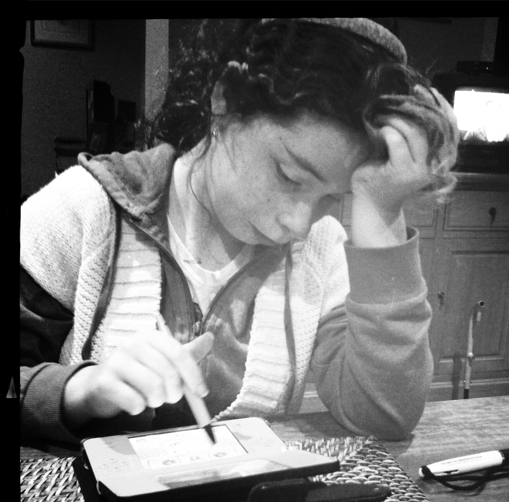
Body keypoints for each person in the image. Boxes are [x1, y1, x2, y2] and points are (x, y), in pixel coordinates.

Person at [20, 18, 458, 445]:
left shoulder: (321, 249)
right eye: (289, 175)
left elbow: (385, 415)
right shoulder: (85, 210)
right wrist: (79, 391)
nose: (299, 224)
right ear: (225, 99)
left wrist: (382, 211)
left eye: (332, 197)